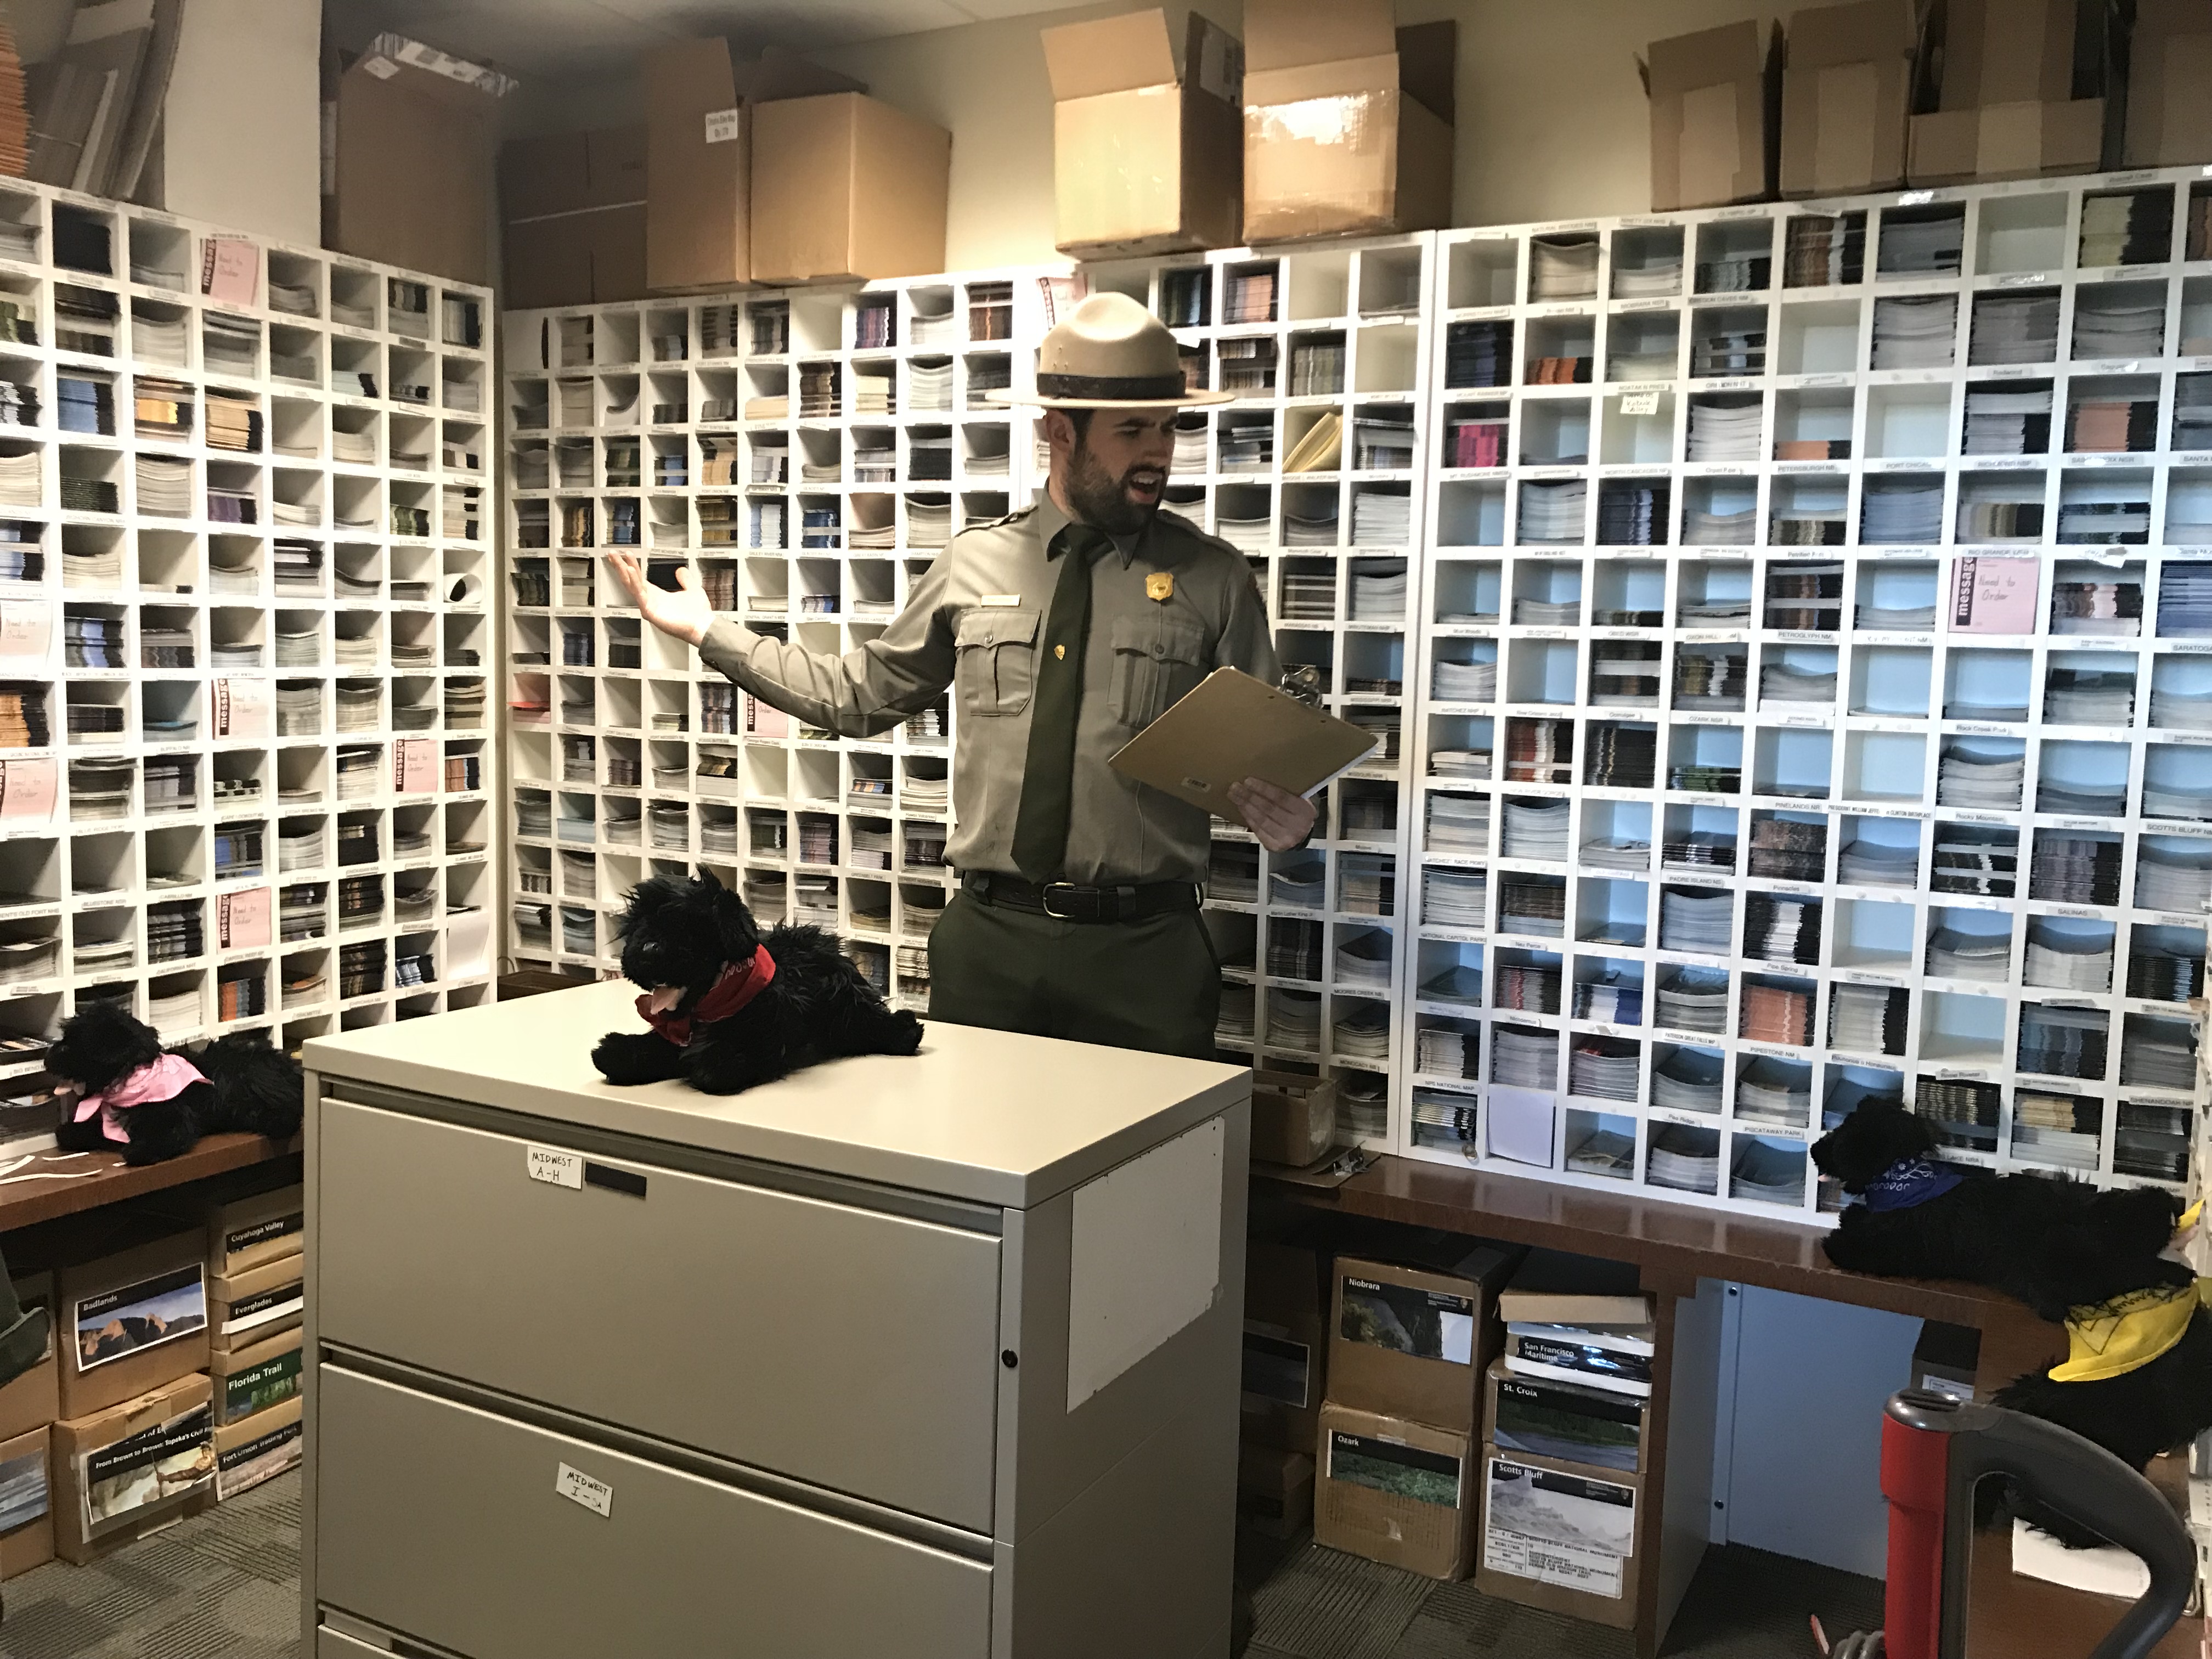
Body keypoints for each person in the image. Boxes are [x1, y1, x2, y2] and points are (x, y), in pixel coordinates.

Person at [609, 291, 1315, 1059]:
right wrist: (710, 630)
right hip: (991, 945)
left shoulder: (1214, 579)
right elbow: (856, 696)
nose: (1159, 451)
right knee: (978, 1168)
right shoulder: (972, 566)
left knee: (1152, 1173)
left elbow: (1267, 759)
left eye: (1170, 426)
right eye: (1132, 430)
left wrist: (1295, 816)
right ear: (1059, 430)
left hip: (1147, 955)